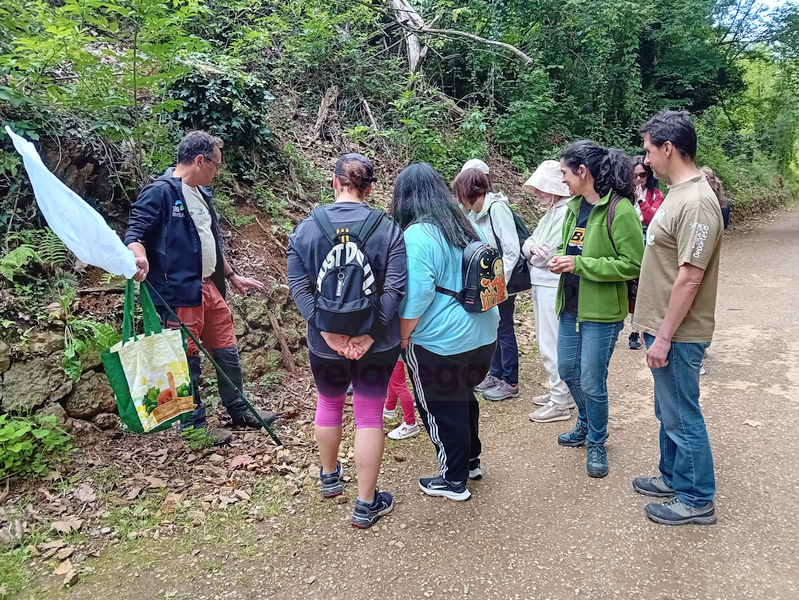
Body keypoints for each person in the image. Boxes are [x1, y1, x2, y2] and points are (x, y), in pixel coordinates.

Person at [125, 131, 276, 446]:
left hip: (209, 286)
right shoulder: (160, 192)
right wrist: (139, 255)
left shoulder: (202, 193)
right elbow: (135, 233)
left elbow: (208, 243)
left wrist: (232, 275)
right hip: (178, 292)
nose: (217, 172)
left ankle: (238, 408)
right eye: (216, 165)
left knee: (227, 350)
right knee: (186, 359)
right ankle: (194, 428)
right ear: (199, 160)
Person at [287, 153, 406, 528]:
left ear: (334, 183)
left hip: (325, 343)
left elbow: (298, 285)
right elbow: (396, 288)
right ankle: (365, 504)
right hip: (378, 340)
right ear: (369, 189)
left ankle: (329, 477)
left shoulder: (306, 228)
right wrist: (370, 333)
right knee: (369, 414)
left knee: (329, 402)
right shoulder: (388, 229)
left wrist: (325, 330)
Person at [632, 110, 723, 526]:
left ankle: (697, 497)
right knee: (667, 410)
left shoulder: (699, 203)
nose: (646, 159)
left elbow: (689, 277)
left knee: (682, 413)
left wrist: (665, 337)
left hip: (680, 333)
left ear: (668, 148)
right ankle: (673, 477)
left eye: (650, 150)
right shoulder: (677, 193)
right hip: (663, 327)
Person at [393, 162, 499, 502]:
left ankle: (453, 480)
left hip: (441, 341)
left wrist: (404, 335)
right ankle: (470, 462)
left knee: (440, 407)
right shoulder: (464, 224)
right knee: (464, 397)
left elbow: (418, 293)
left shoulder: (416, 235)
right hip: (483, 331)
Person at [549, 141, 644, 478]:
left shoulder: (621, 210)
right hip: (571, 306)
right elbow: (571, 249)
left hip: (602, 312)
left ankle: (597, 442)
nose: (562, 179)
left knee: (592, 379)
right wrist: (561, 260)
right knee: (568, 371)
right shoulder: (575, 208)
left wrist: (579, 264)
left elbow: (633, 264)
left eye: (564, 172)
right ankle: (586, 423)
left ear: (583, 172)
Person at [452, 163, 521, 402]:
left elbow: (512, 250)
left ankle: (510, 380)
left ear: (470, 192)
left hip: (502, 282)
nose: (460, 200)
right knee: (493, 328)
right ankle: (495, 374)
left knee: (504, 329)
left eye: (461, 195)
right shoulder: (474, 213)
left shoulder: (497, 209)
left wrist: (500, 284)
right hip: (486, 282)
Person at [520, 160, 576, 423]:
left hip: (551, 284)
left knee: (550, 342)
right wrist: (532, 250)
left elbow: (549, 254)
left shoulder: (565, 213)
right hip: (542, 283)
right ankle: (561, 392)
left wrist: (533, 252)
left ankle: (560, 399)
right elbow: (530, 244)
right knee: (548, 340)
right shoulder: (551, 213)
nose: (538, 193)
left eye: (542, 187)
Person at [628, 157, 665, 350]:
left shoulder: (656, 195)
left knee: (642, 289)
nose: (639, 179)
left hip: (648, 248)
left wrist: (642, 200)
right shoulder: (623, 195)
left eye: (642, 175)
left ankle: (636, 330)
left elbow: (654, 219)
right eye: (634, 175)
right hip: (628, 246)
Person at [383, 356, 420, 440]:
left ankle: (410, 424)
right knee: (393, 379)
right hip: (390, 350)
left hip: (392, 350)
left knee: (400, 386)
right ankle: (389, 408)